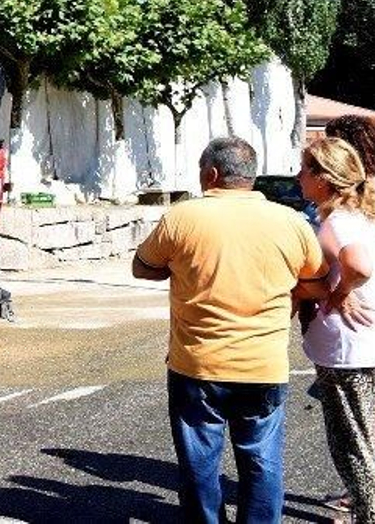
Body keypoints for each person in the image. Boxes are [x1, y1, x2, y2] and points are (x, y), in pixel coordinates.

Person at [133, 136, 328, 524]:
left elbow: (142, 266)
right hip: (264, 365)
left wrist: (178, 268)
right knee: (262, 461)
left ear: (212, 174)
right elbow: (318, 283)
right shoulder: (291, 222)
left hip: (197, 365)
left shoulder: (183, 217)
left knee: (199, 463)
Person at [296, 137, 375, 524]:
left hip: (349, 352)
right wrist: (336, 289)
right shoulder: (357, 218)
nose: (299, 177)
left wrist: (339, 293)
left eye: (305, 170)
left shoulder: (336, 223)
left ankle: (371, 519)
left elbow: (358, 264)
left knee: (354, 450)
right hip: (362, 348)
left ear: (324, 178)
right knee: (358, 443)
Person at [324, 115, 375, 522]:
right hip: (374, 312)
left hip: (365, 315)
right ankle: (370, 495)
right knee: (371, 415)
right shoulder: (374, 189)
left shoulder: (372, 191)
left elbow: (359, 258)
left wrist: (339, 291)